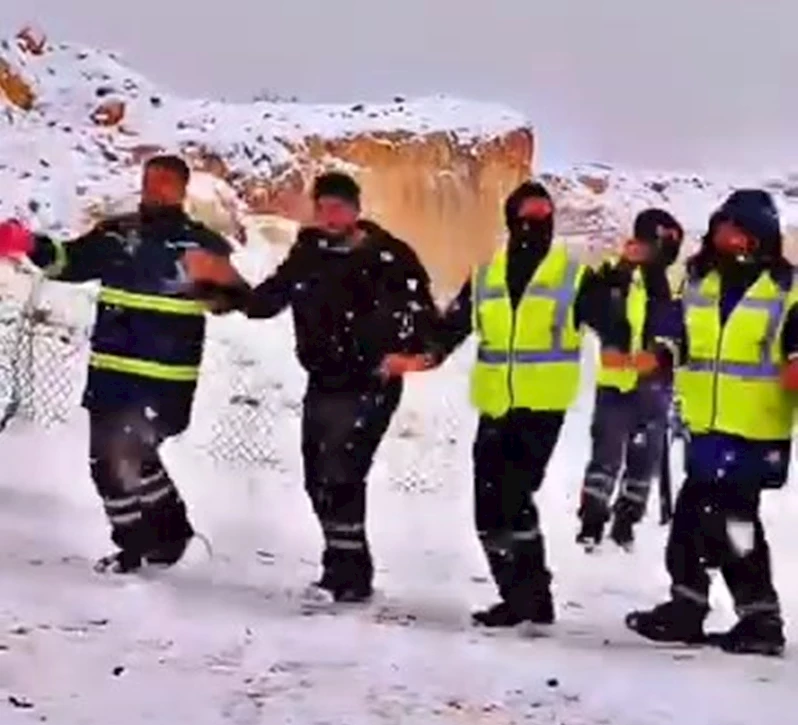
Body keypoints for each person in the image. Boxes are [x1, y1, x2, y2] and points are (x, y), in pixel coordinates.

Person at [0, 155, 248, 573]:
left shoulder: (203, 243)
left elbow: (236, 299)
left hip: (166, 376)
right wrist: (28, 245)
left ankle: (162, 539)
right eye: (150, 180)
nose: (156, 188)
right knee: (106, 463)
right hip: (112, 371)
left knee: (132, 453)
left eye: (166, 182)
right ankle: (146, 544)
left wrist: (215, 285)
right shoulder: (118, 234)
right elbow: (67, 261)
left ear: (183, 189)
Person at [385, 181, 589, 627]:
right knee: (488, 506)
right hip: (496, 407)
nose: (537, 224)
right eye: (528, 216)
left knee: (513, 497)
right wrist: (424, 357)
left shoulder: (574, 277)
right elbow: (453, 328)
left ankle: (531, 596)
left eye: (544, 216)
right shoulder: (486, 277)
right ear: (511, 220)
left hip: (541, 408)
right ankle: (519, 595)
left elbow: (613, 322)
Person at [243, 171, 440, 603]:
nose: (329, 216)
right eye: (322, 208)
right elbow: (268, 299)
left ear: (356, 210)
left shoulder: (391, 256)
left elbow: (427, 320)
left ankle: (346, 578)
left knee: (343, 474)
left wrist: (416, 357)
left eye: (338, 207)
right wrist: (224, 291)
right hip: (324, 379)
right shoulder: (308, 254)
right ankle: (346, 563)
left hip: (371, 383)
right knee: (318, 479)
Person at [626, 189, 798, 656]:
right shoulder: (701, 282)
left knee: (728, 520)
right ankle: (698, 609)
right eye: (722, 229)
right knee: (699, 518)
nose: (728, 239)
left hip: (756, 430)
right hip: (707, 427)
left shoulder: (788, 290)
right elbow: (681, 337)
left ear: (761, 236)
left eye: (738, 230)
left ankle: (752, 618)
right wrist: (661, 355)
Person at [574, 208, 684, 552]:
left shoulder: (678, 280)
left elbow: (687, 330)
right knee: (605, 456)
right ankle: (591, 522)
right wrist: (621, 269)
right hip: (616, 382)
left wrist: (663, 355)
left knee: (645, 460)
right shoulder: (613, 272)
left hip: (655, 385)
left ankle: (626, 524)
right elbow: (590, 309)